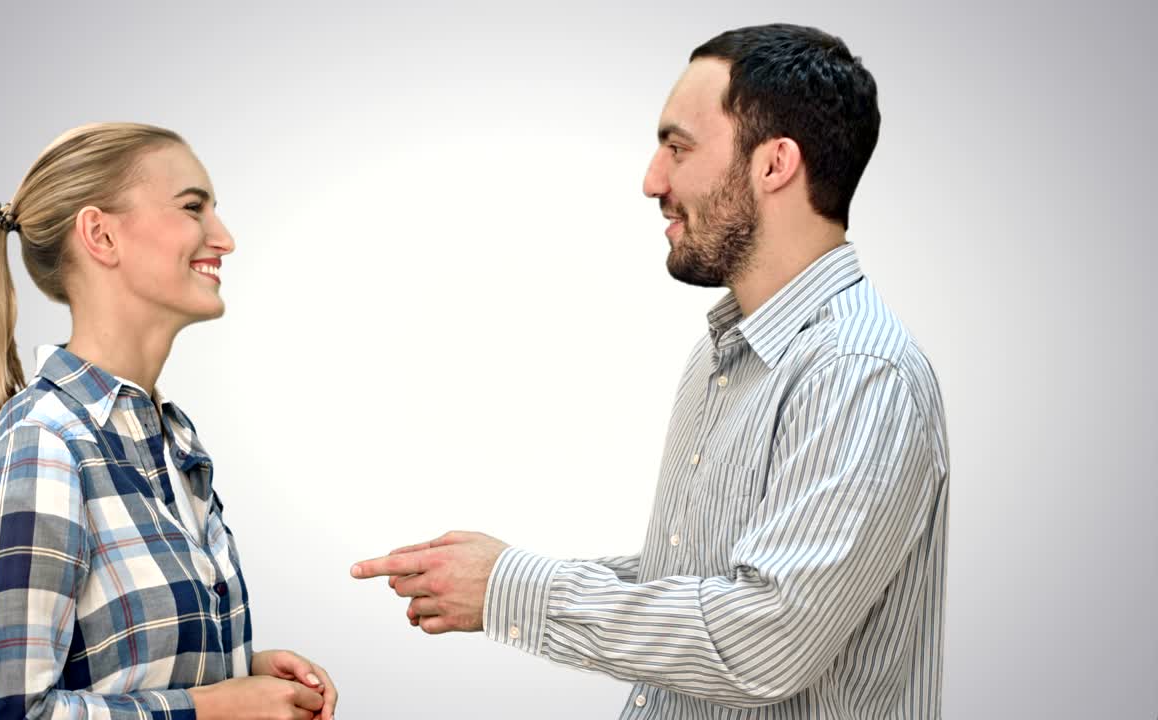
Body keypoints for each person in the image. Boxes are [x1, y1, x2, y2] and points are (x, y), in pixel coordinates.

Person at [352, 24, 949, 719]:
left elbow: (765, 636)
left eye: (678, 147)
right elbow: (698, 588)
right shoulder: (723, 357)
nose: (651, 181)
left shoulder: (860, 374)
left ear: (774, 164)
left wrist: (514, 587)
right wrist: (493, 578)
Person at [0, 122, 337, 720]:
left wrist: (237, 670)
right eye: (193, 208)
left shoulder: (171, 442)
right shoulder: (43, 447)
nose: (224, 238)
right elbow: (3, 715)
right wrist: (212, 711)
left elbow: (114, 666)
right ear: (101, 235)